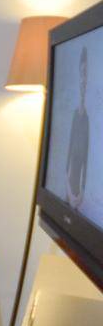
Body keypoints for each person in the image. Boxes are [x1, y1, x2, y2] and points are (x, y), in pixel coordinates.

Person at [67, 46, 91, 211]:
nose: (84, 79)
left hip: (77, 196)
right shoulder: (74, 116)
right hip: (69, 191)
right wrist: (69, 191)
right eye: (82, 73)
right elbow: (68, 157)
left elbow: (86, 159)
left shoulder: (87, 119)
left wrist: (81, 191)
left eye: (86, 74)